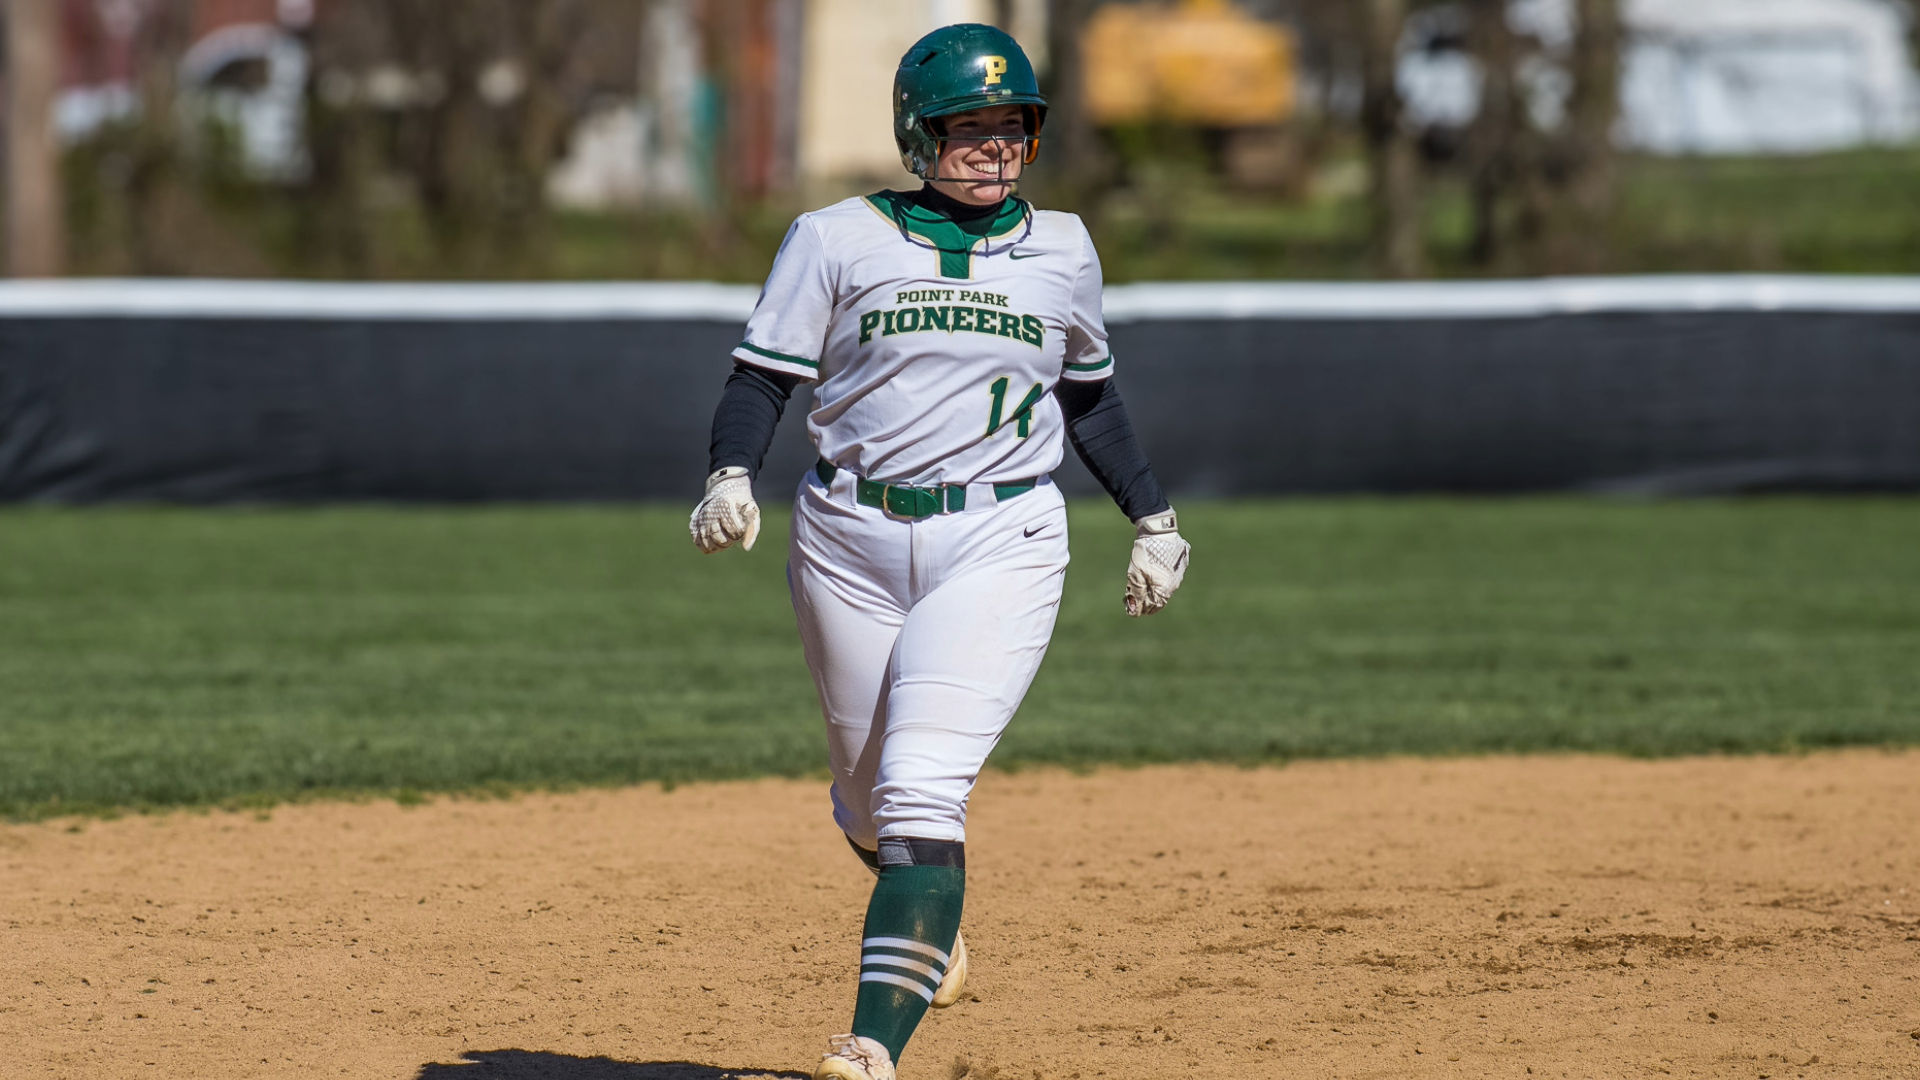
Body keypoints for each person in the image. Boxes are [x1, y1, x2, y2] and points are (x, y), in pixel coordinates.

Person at [689, 23, 1190, 1080]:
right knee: (865, 798)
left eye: (1015, 125)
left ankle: (872, 1047)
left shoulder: (1065, 248)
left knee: (922, 788)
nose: (996, 146)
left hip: (1000, 534)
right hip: (846, 537)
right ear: (920, 135)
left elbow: (1090, 401)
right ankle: (928, 918)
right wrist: (731, 472)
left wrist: (1151, 518)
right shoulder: (834, 238)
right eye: (971, 126)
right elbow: (761, 379)